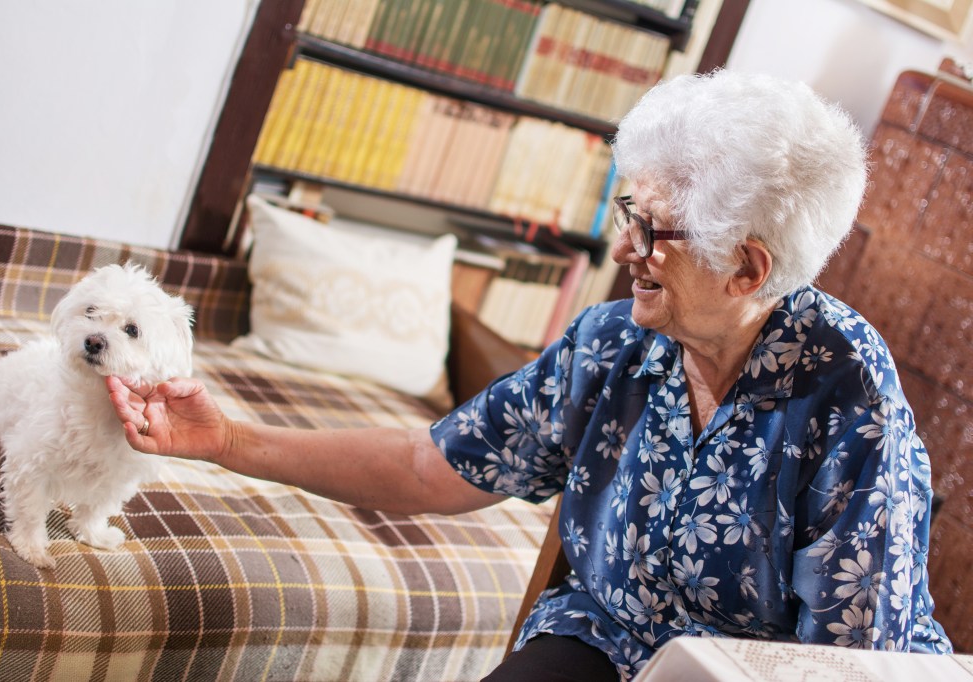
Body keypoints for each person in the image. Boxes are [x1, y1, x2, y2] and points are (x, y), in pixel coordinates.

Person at [106, 70, 953, 681]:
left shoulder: (849, 400)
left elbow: (840, 669)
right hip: (608, 643)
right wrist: (227, 440)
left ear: (747, 269)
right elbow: (425, 465)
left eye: (652, 228)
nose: (624, 248)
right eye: (630, 213)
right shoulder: (617, 342)